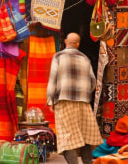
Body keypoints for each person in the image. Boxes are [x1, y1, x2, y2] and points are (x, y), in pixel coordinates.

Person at [47, 32, 103, 164]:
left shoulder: (58, 56)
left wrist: (50, 100)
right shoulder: (85, 58)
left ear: (66, 41)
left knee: (67, 137)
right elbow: (93, 82)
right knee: (85, 136)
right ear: (78, 44)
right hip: (83, 102)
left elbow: (52, 80)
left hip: (65, 101)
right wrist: (83, 93)